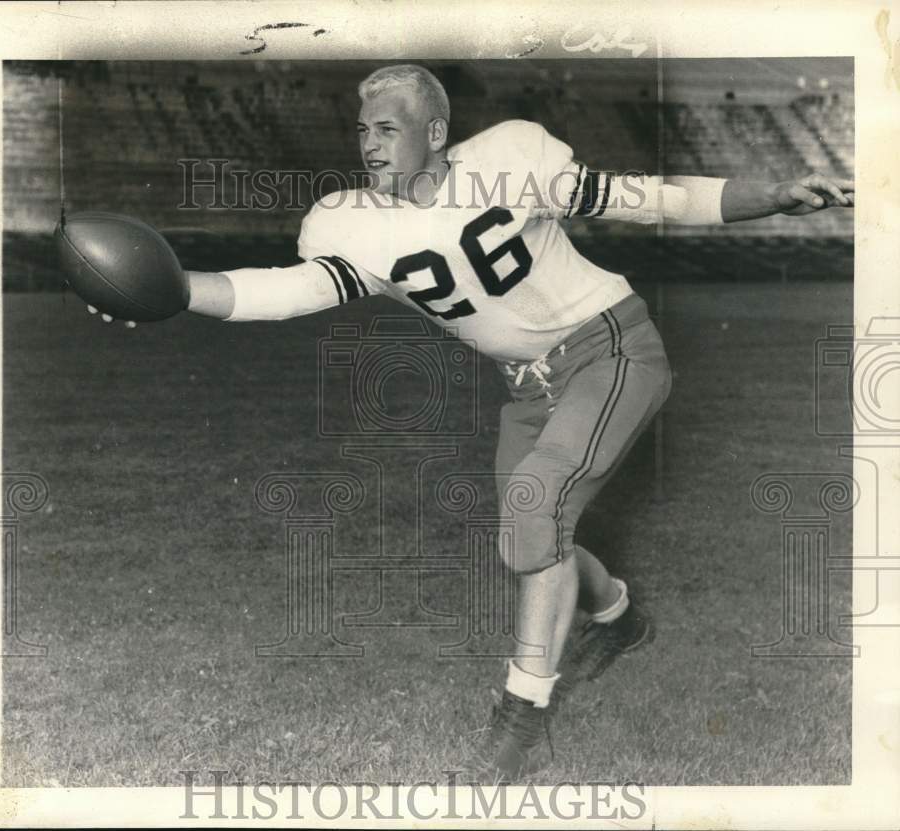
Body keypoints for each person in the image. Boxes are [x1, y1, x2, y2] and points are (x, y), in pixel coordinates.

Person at [90, 64, 854, 782]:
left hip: (611, 345)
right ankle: (616, 614)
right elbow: (282, 292)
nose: (368, 143)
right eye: (361, 130)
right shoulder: (349, 224)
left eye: (386, 128)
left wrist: (770, 195)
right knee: (528, 541)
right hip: (527, 387)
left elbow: (651, 197)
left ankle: (520, 715)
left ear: (435, 132)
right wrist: (168, 290)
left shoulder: (513, 155)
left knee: (534, 506)